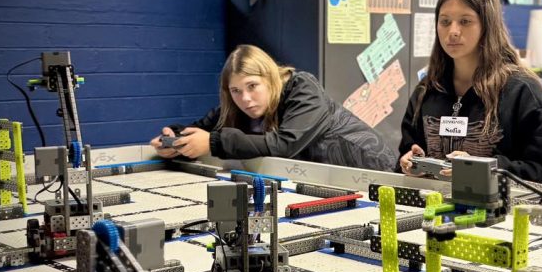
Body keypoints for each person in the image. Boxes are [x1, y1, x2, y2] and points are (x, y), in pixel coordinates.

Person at [397, 0, 542, 185]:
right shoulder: (426, 91)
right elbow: (407, 153)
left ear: (487, 26)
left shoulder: (522, 90)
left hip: (500, 214)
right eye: (445, 21)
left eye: (465, 21)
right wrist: (409, 163)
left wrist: (481, 168)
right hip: (435, 211)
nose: (453, 31)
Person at [150, 45, 397, 171]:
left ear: (270, 78)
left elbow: (284, 145)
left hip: (374, 171)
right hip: (326, 182)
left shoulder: (303, 89)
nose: (245, 98)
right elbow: (203, 129)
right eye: (235, 91)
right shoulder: (240, 106)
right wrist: (175, 139)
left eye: (252, 86)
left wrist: (213, 143)